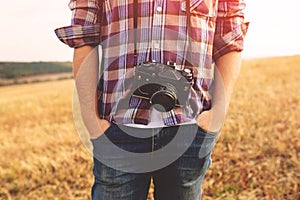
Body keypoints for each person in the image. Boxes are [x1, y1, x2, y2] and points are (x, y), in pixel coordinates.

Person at [55, 0, 249, 199]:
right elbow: (83, 38)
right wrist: (92, 122)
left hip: (191, 127)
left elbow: (230, 39)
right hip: (117, 128)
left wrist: (216, 114)